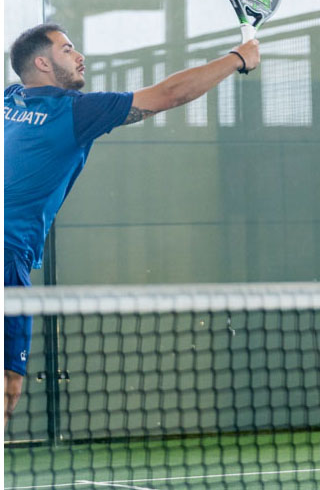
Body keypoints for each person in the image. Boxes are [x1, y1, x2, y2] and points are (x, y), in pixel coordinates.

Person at [4, 23, 261, 427]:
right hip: (8, 254)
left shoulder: (8, 100)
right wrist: (238, 58)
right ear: (42, 63)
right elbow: (169, 94)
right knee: (8, 384)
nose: (79, 56)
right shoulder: (74, 110)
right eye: (67, 49)